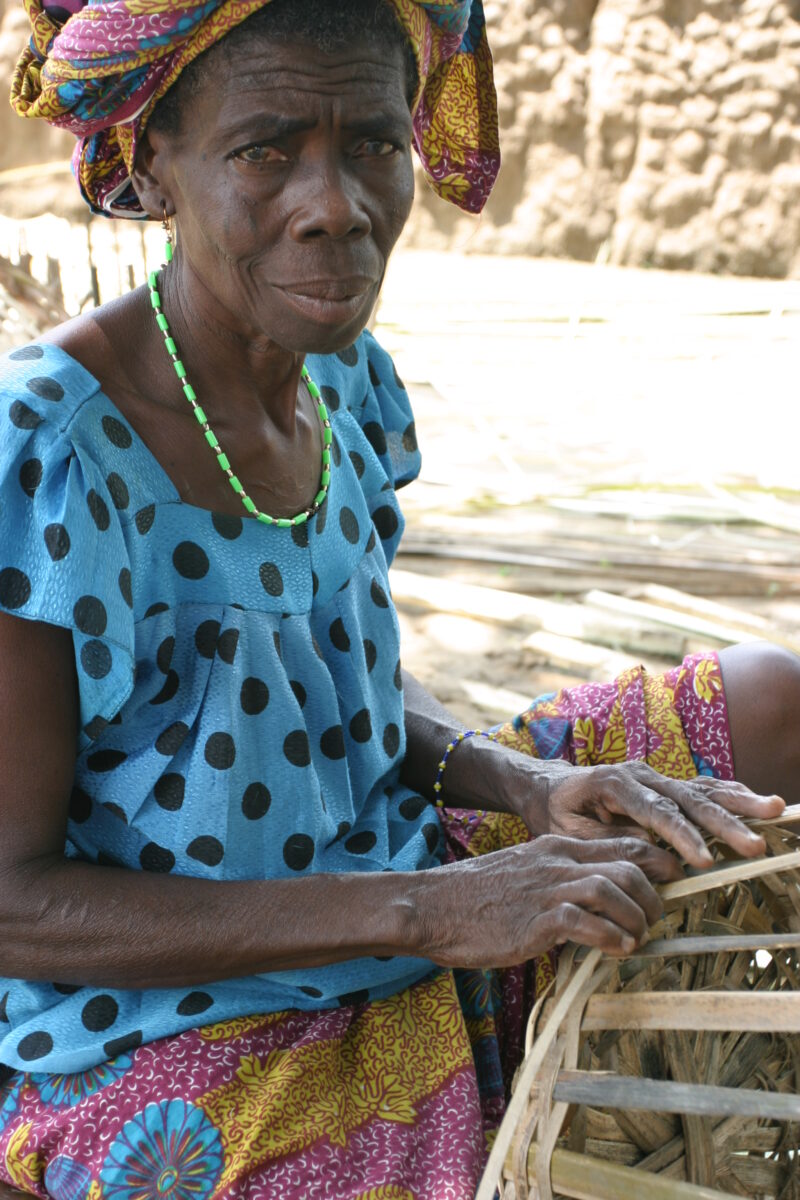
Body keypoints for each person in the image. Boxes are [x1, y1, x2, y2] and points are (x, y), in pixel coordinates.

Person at [0, 1, 796, 1196]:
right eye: (265, 149)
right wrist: (429, 908)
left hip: (402, 869)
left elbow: (339, 694)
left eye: (371, 143)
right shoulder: (52, 450)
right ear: (152, 158)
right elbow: (13, 901)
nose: (337, 205)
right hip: (177, 1014)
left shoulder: (340, 375)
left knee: (770, 705)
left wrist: (526, 784)